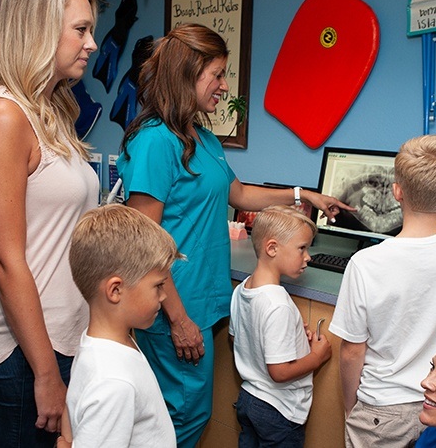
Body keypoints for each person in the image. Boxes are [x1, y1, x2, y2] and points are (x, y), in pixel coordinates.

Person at [116, 22, 350, 447]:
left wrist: (303, 194)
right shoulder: (155, 142)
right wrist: (179, 318)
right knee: (183, 417)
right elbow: (142, 243)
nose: (224, 86)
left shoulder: (202, 138)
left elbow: (238, 192)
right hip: (174, 305)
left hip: (202, 301)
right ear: (187, 75)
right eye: (218, 74)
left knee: (183, 413)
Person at [0, 0, 99, 446]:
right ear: (40, 29)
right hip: (29, 350)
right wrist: (46, 373)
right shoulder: (3, 115)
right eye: (80, 30)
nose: (92, 43)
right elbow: (5, 261)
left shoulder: (51, 110)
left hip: (65, 333)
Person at [328, 134, 436, 447]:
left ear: (397, 192)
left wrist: (350, 407)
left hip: (381, 410)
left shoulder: (366, 263)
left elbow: (351, 351)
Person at [57, 204, 181, 447]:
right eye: (157, 285)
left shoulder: (103, 342)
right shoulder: (113, 383)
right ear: (116, 290)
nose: (164, 296)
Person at [229, 205, 332, 447]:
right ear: (272, 248)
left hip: (249, 398)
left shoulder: (243, 289)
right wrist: (317, 356)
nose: (308, 257)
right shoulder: (279, 304)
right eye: (302, 248)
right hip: (279, 410)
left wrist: (291, 336)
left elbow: (237, 338)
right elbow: (280, 372)